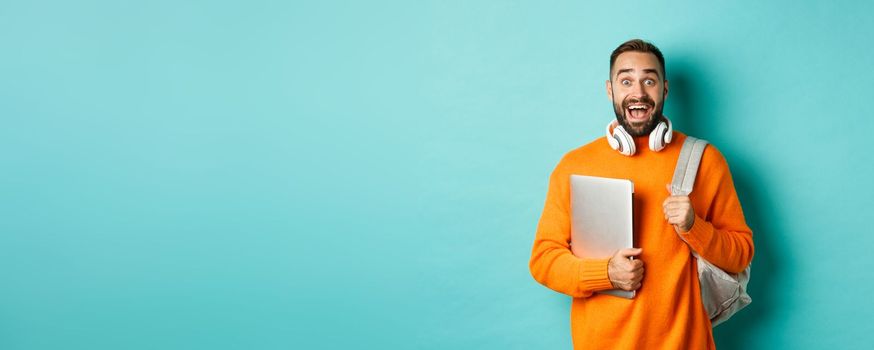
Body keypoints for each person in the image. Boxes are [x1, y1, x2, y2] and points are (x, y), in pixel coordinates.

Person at [528, 39, 754, 349]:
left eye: (649, 80)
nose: (638, 92)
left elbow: (741, 253)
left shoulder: (704, 160)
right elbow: (544, 260)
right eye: (626, 80)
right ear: (610, 90)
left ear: (664, 89)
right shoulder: (574, 165)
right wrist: (606, 273)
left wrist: (694, 227)